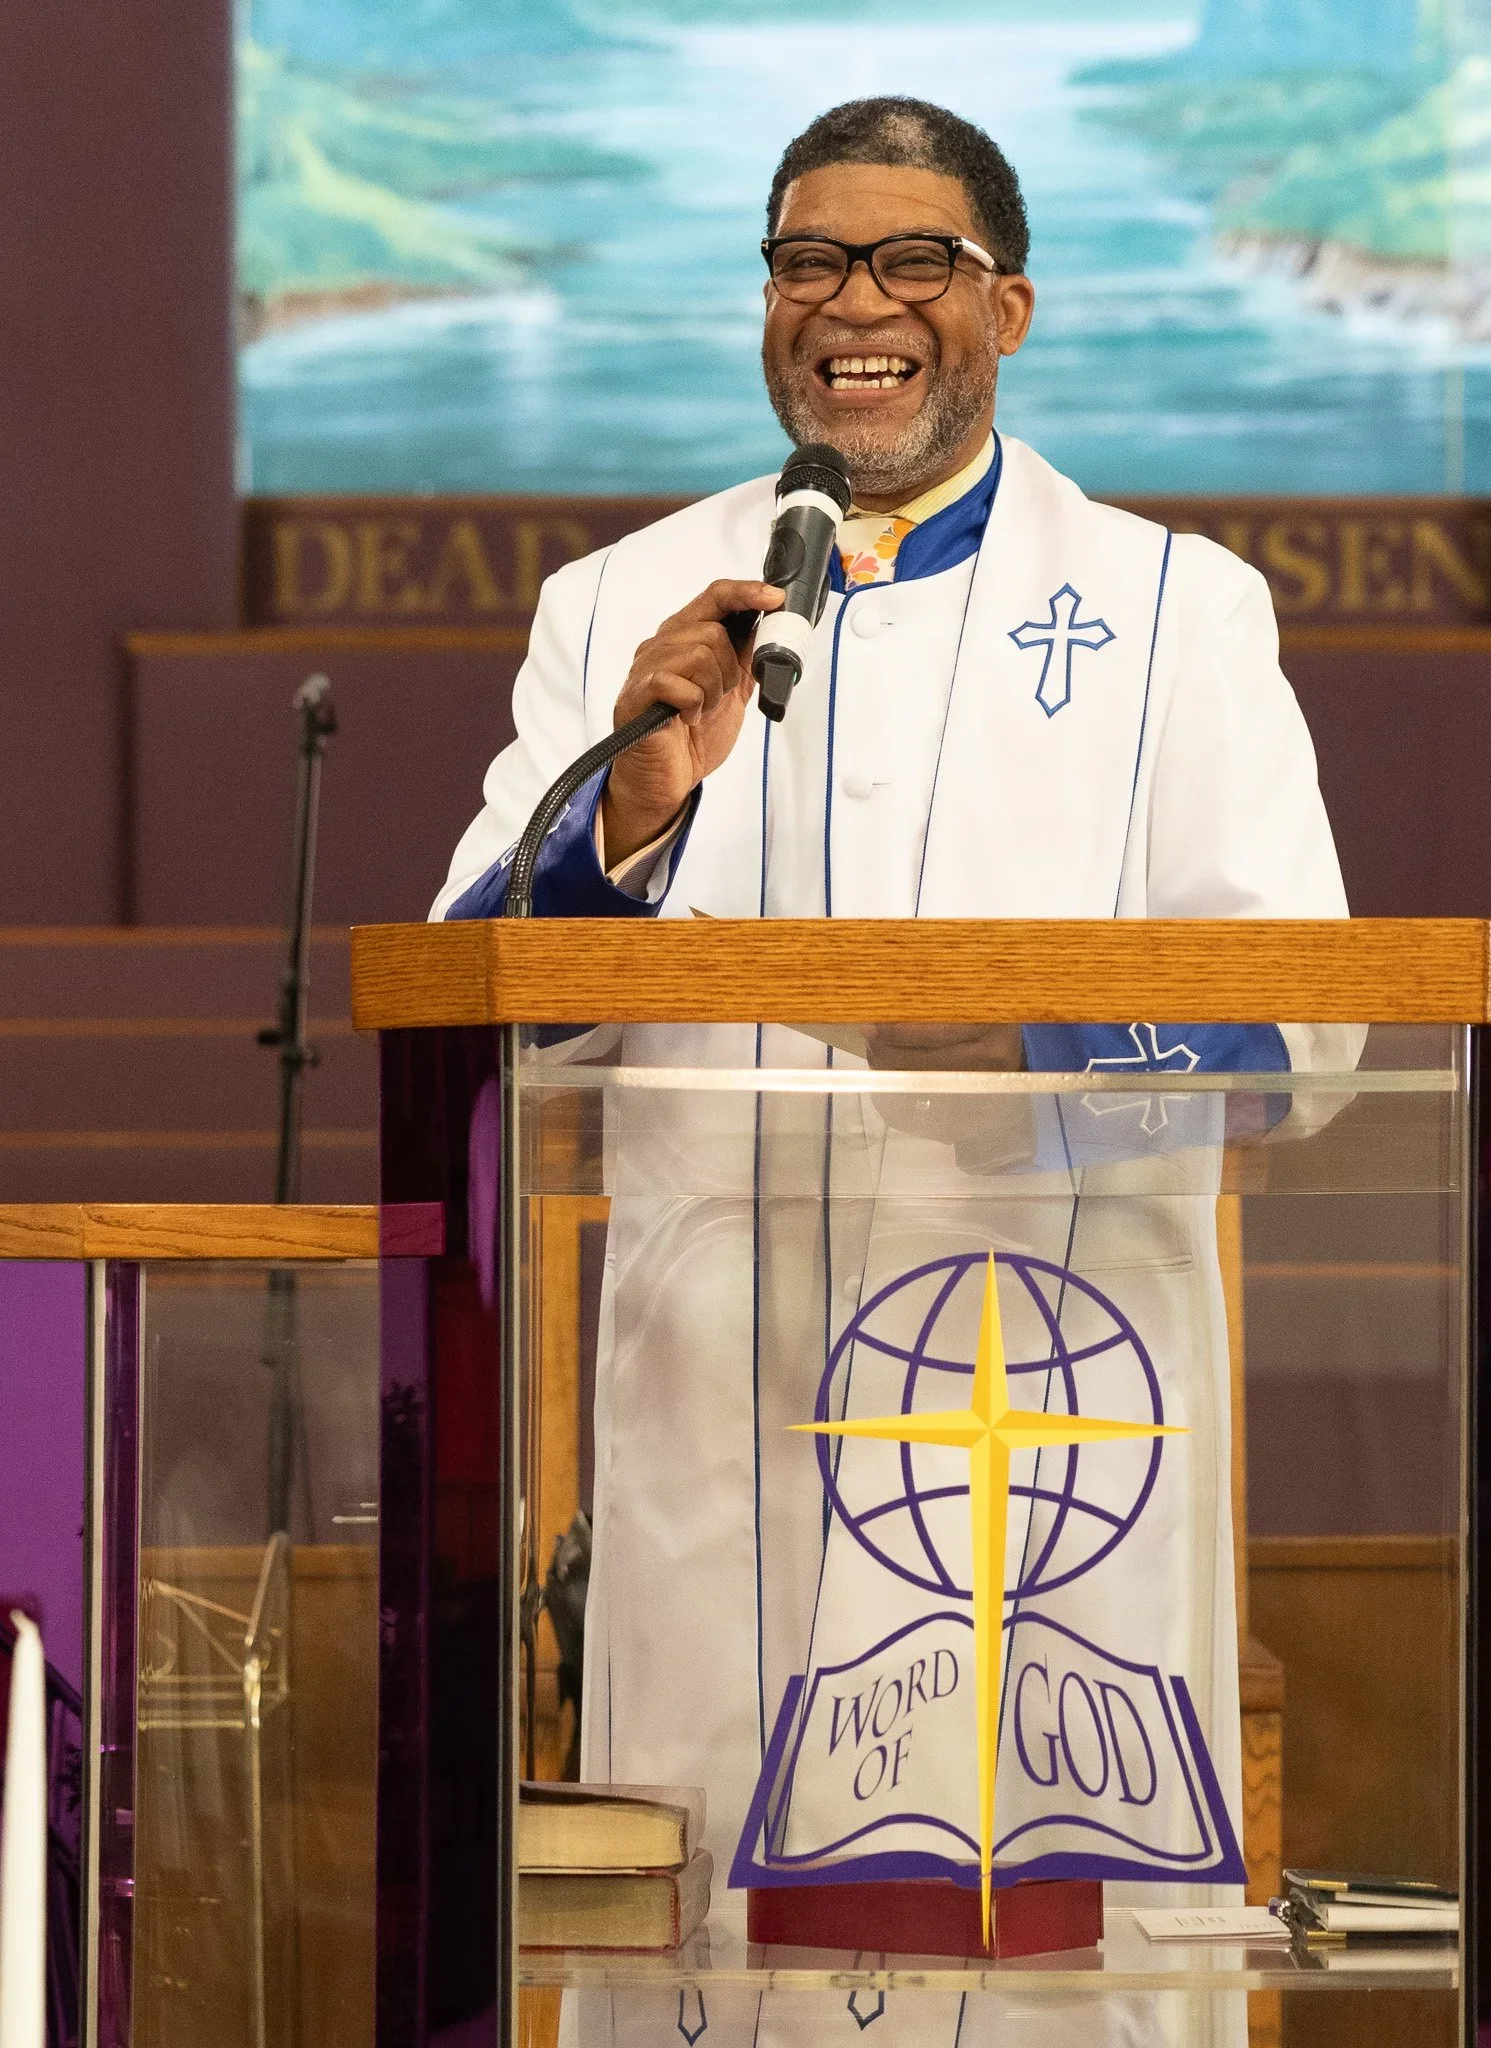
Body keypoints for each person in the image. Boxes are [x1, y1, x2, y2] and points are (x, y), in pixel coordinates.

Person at [438, 97, 1354, 2046]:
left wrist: (1019, 1030)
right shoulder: (619, 608)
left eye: (911, 260)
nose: (856, 303)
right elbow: (472, 1003)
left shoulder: (1178, 611)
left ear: (1005, 304)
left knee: (1038, 1996)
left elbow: (1304, 1027)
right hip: (715, 1455)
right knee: (707, 1977)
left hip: (1041, 1463)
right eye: (806, 262)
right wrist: (628, 808)